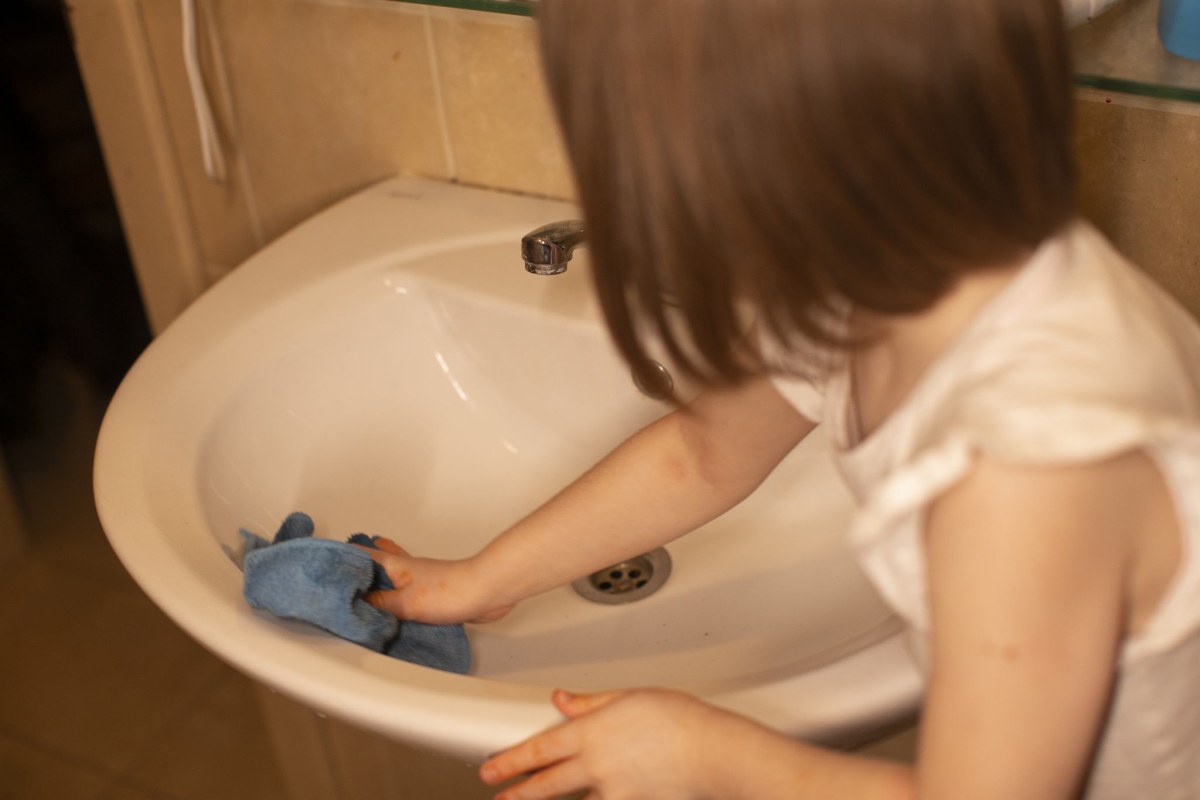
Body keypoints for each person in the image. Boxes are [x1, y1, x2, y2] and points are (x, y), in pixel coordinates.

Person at [363, 1, 1200, 797]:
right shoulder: (886, 273)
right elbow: (703, 453)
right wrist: (480, 580)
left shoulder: (1030, 468)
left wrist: (704, 757)